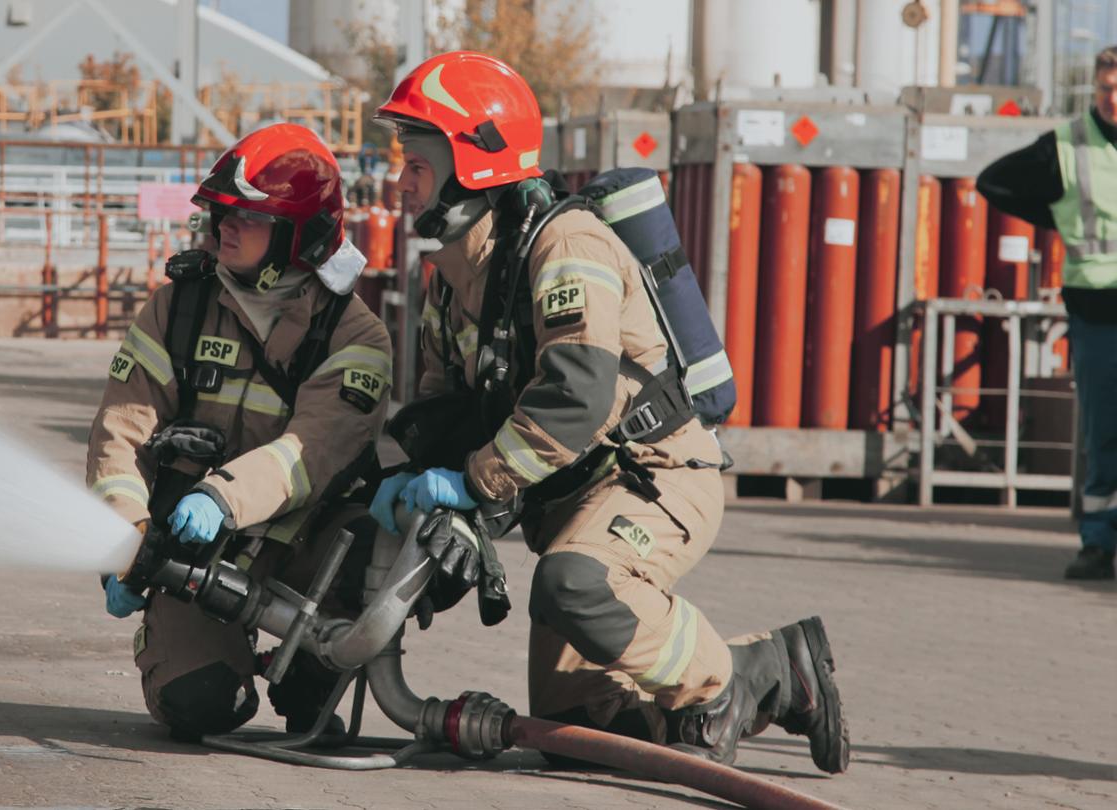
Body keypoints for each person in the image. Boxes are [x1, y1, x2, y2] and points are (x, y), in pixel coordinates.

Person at [367, 51, 849, 772]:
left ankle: (750, 674)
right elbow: (446, 409)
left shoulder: (566, 245)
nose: (400, 183)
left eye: (416, 165)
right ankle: (740, 692)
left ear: (474, 164)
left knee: (575, 585)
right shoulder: (453, 275)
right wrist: (405, 479)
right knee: (581, 736)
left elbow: (576, 396)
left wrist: (472, 483)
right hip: (573, 500)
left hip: (652, 476)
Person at [86, 123, 394, 742]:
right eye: (222, 212)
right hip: (193, 550)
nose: (225, 226)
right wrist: (124, 535)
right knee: (202, 704)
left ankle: (311, 676)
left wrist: (221, 495)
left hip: (305, 542)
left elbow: (314, 451)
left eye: (248, 217)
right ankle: (196, 648)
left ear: (298, 235)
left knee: (377, 548)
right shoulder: (178, 307)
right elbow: (121, 431)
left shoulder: (355, 335)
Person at [977, 46, 1117, 581]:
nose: (1112, 98)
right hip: (1098, 310)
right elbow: (993, 181)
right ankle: (1098, 544)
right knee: (1104, 432)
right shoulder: (1067, 145)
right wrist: (1055, 214)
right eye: (1105, 88)